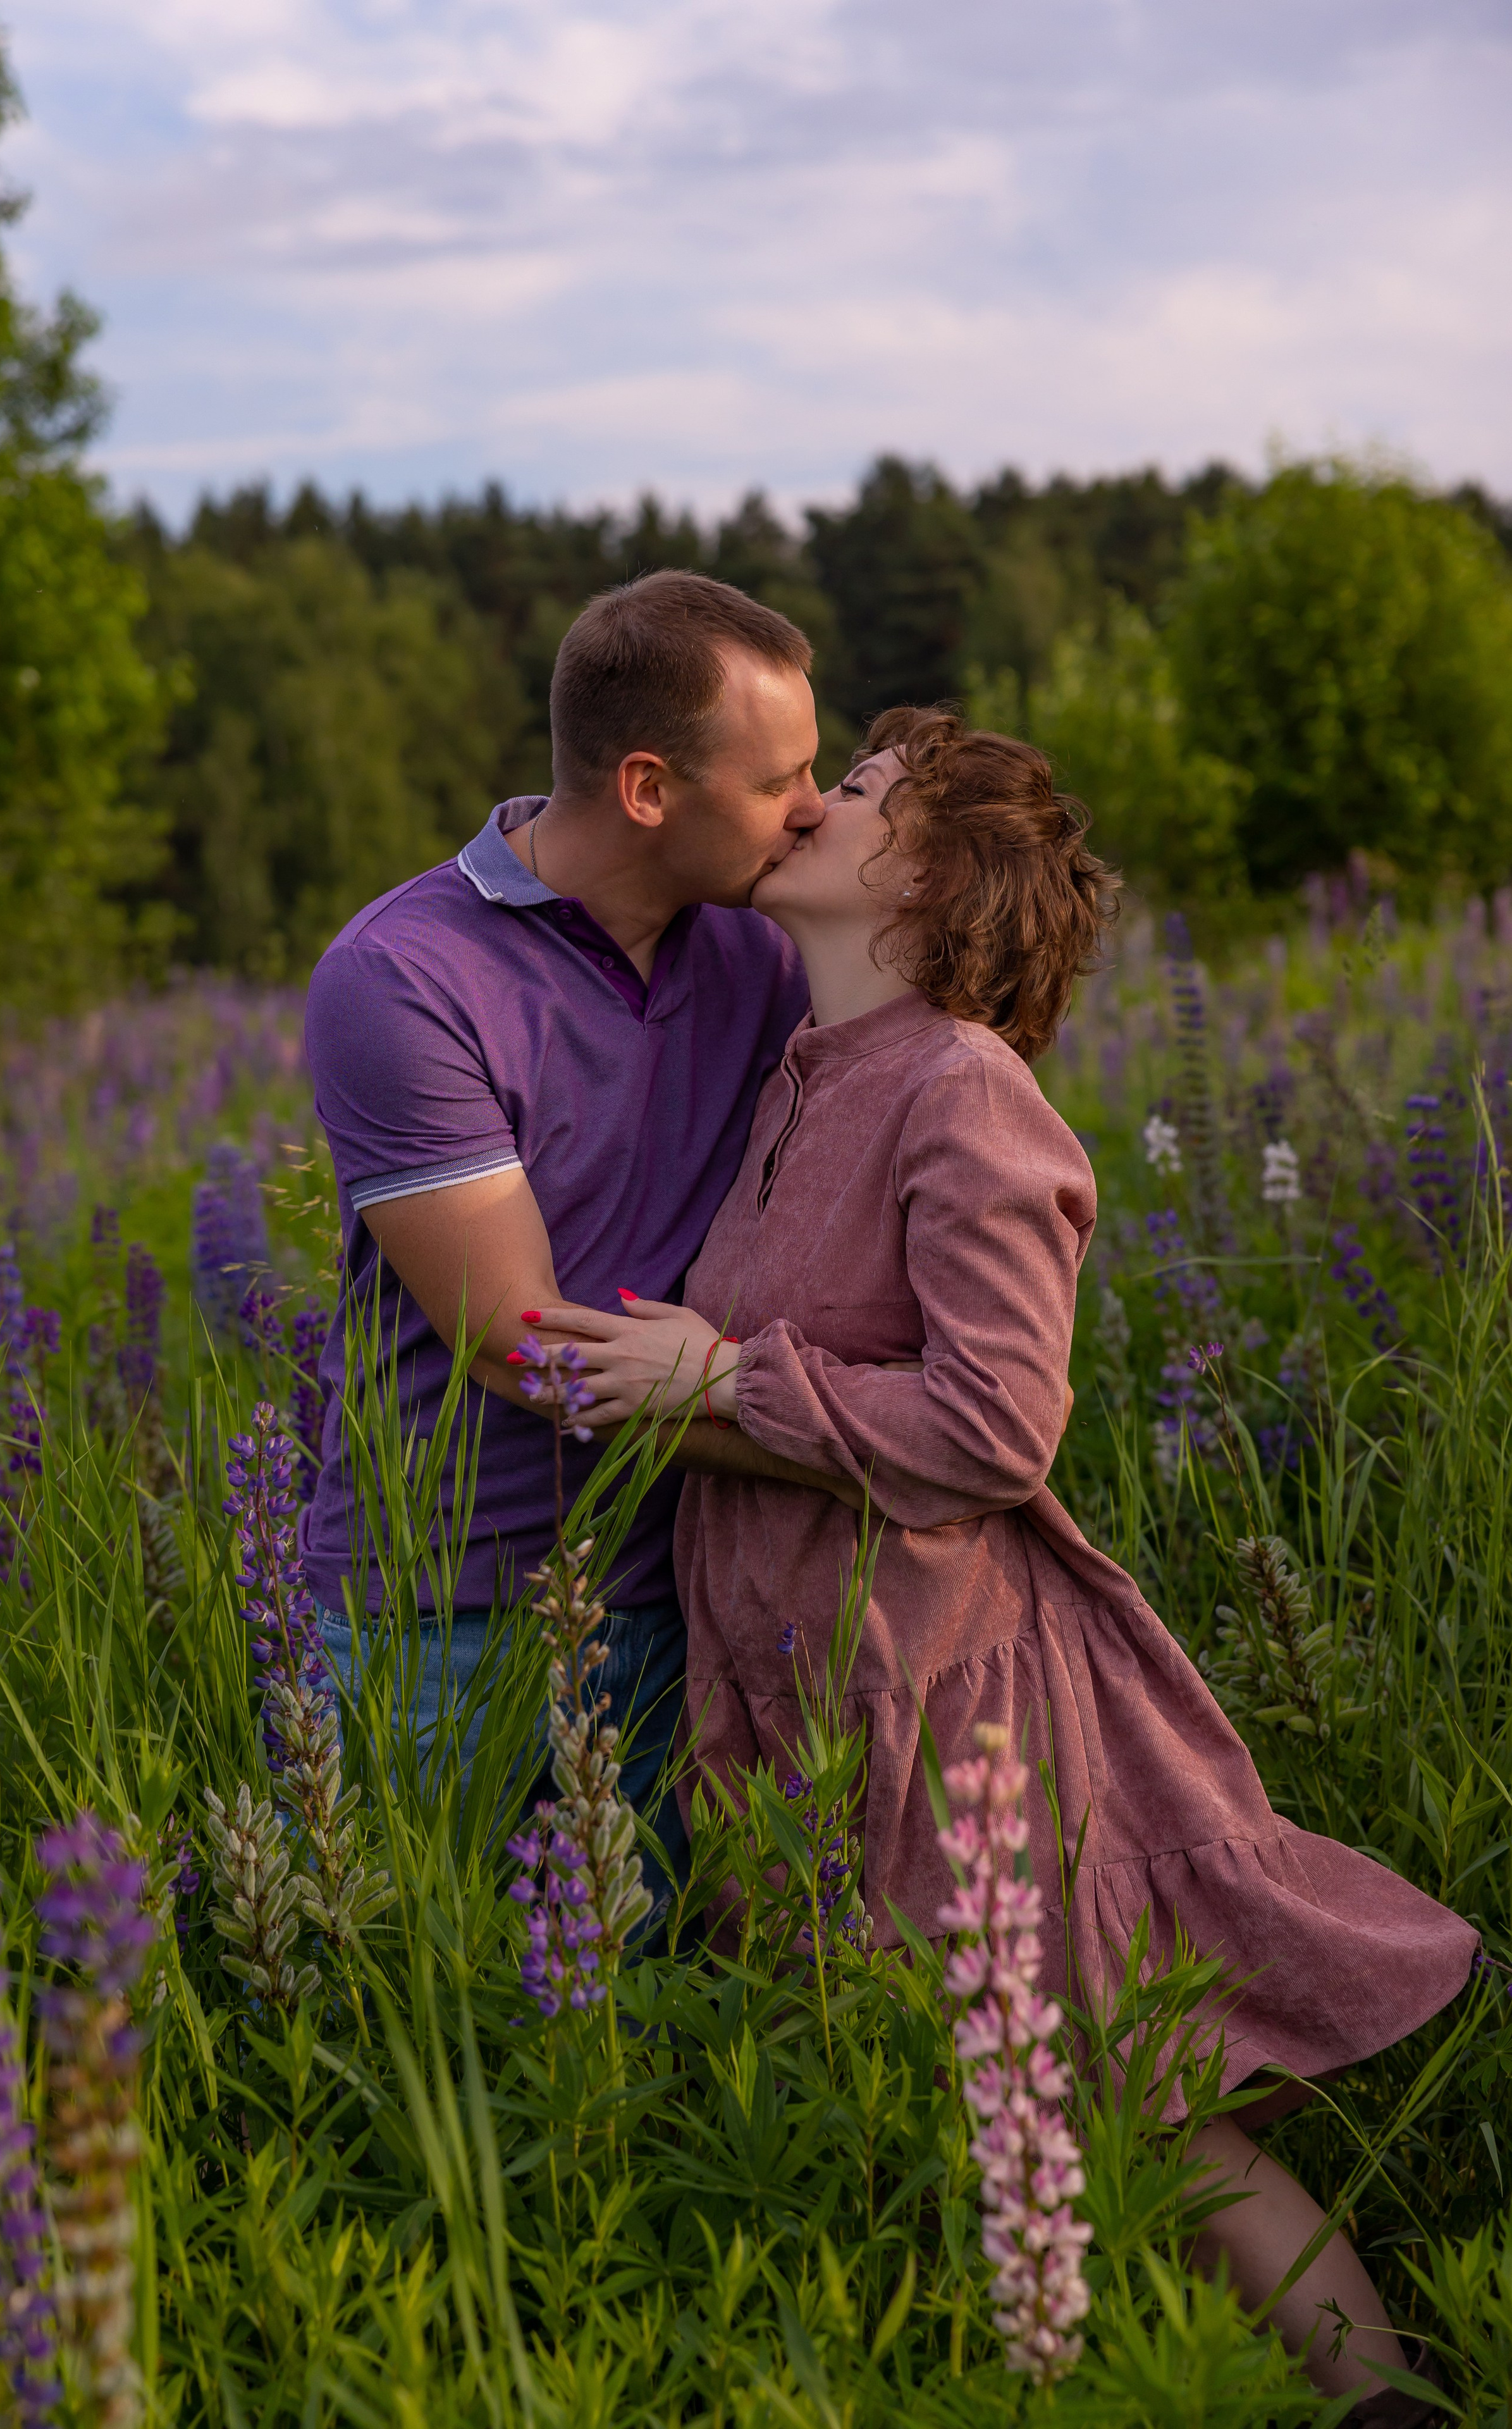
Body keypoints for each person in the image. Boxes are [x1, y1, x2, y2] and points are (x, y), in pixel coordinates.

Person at [536, 707, 1476, 2418]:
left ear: (939, 878)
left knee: (1119, 2079)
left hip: (951, 1696)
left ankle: (1379, 2400)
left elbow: (994, 1429)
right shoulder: (802, 1077)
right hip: (803, 1696)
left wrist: (719, 1380)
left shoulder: (967, 1088)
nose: (817, 800)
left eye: (869, 794)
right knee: (935, 2097)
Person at [300, 569, 857, 1891]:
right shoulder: (404, 976)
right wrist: (851, 1445)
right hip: (447, 1607)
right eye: (778, 774)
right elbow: (510, 1340)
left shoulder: (766, 951)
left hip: (699, 1580)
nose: (812, 806)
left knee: (660, 2019)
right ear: (648, 789)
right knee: (448, 2023)